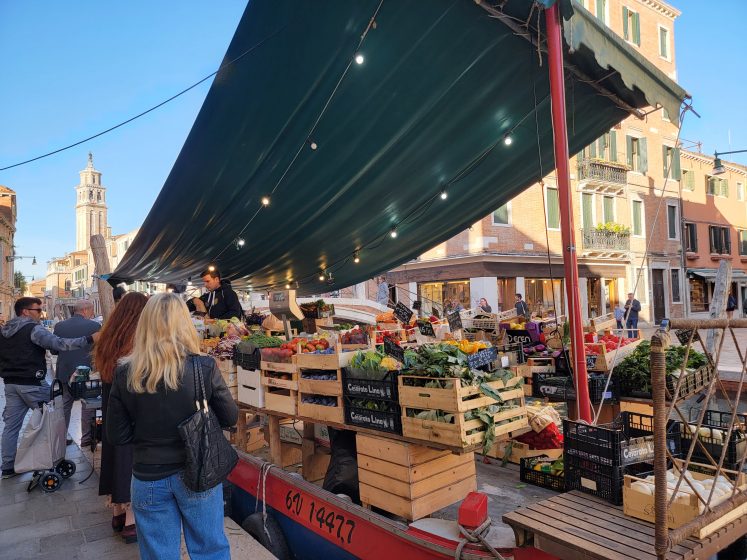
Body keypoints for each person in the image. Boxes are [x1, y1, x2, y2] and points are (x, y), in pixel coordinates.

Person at [106, 293, 238, 559]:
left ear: (146, 324)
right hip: (198, 470)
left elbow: (116, 435)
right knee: (210, 550)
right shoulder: (203, 366)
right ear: (185, 324)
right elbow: (230, 417)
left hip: (147, 475)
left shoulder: (124, 372)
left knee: (158, 554)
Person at [0, 297, 98, 479]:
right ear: (25, 312)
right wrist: (88, 338)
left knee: (11, 427)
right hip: (32, 384)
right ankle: (54, 461)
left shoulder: (5, 329)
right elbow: (59, 344)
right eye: (38, 310)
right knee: (54, 418)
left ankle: (7, 466)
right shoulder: (33, 329)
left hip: (11, 384)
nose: (41, 314)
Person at [93, 292, 148, 544]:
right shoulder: (137, 341)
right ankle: (131, 520)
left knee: (114, 453)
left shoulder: (108, 338)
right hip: (133, 409)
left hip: (110, 407)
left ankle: (116, 512)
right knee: (130, 457)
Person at [52, 300, 101, 447]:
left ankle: (60, 437)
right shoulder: (95, 326)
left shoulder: (60, 326)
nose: (92, 313)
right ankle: (86, 438)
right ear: (86, 310)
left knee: (64, 406)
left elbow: (54, 350)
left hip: (65, 372)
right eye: (92, 310)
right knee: (88, 406)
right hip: (87, 373)